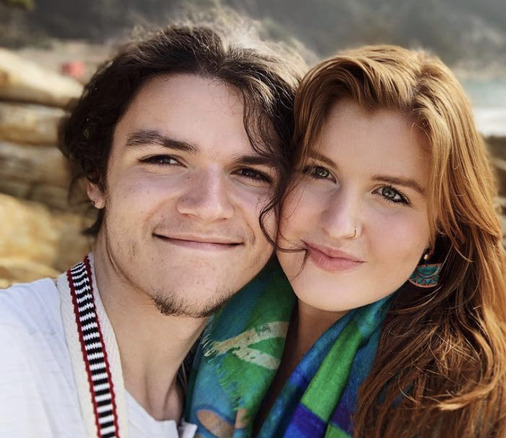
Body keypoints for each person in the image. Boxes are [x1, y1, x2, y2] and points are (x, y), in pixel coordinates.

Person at [187, 45, 506, 437]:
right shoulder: (195, 307)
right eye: (319, 172)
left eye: (391, 194)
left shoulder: (468, 411)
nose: (340, 224)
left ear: (441, 229)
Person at [0, 23, 303, 437]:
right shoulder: (12, 358)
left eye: (250, 172)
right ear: (97, 176)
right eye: (163, 159)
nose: (207, 206)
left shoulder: (224, 403)